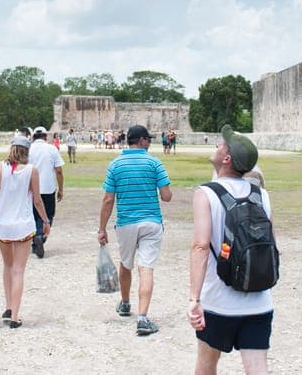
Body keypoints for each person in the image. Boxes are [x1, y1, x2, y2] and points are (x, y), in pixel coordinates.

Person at [188, 125, 273, 373]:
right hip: (259, 301)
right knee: (257, 367)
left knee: (206, 363)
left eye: (221, 145)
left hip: (219, 302)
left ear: (226, 159)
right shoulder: (261, 195)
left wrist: (194, 299)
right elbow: (272, 246)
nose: (217, 145)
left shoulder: (206, 193)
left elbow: (201, 246)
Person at [98, 125, 173, 336]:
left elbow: (108, 199)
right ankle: (142, 318)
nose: (149, 142)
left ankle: (124, 303)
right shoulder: (155, 162)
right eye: (147, 139)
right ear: (141, 140)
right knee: (146, 267)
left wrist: (101, 229)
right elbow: (167, 196)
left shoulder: (115, 165)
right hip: (151, 222)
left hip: (126, 223)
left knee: (126, 263)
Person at [0, 135, 51, 328]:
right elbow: (37, 200)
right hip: (23, 224)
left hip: (3, 224)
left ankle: (8, 306)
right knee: (18, 270)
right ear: (27, 152)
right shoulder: (31, 170)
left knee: (7, 265)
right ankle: (15, 315)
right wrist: (45, 221)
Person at [28, 126, 64, 258]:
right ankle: (40, 237)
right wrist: (61, 189)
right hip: (48, 189)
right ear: (45, 137)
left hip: (31, 189)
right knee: (48, 216)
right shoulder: (52, 149)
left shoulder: (28, 149)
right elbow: (59, 171)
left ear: (33, 137)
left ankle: (35, 241)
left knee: (33, 216)